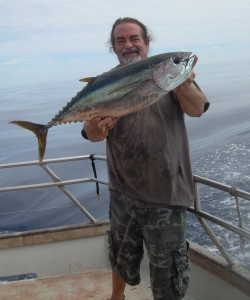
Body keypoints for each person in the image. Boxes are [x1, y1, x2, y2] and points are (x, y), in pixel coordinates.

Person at [81, 17, 209, 300]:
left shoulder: (172, 77)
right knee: (120, 254)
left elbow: (198, 109)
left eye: (134, 38)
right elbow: (92, 134)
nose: (128, 45)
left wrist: (183, 85)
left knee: (168, 270)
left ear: (146, 42)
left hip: (167, 193)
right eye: (121, 40)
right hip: (122, 191)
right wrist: (95, 127)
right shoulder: (105, 83)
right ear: (113, 47)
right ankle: (117, 298)